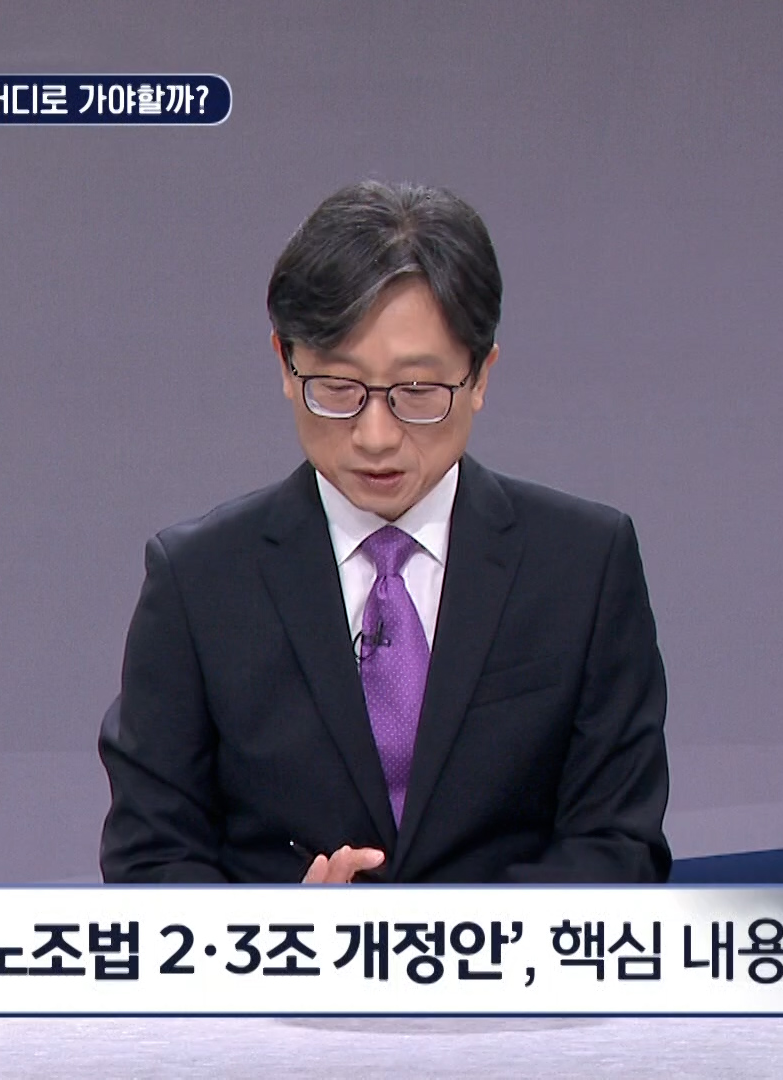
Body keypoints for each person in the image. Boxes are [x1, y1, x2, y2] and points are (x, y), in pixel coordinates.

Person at [98, 180, 669, 884]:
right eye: (338, 389)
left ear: (480, 376)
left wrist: (435, 938)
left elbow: (619, 847)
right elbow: (150, 859)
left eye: (417, 393)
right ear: (285, 364)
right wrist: (283, 931)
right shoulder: (199, 582)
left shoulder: (584, 567)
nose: (375, 436)